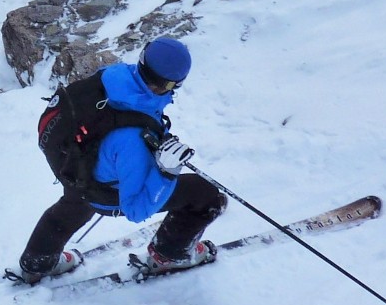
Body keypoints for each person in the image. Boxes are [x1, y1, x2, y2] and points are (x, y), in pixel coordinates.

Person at [12, 37, 227, 284]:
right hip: (102, 187)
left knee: (75, 202)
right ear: (172, 84)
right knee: (205, 196)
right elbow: (135, 209)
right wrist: (166, 172)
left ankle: (37, 263)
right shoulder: (133, 141)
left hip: (72, 164)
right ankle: (168, 255)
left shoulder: (114, 77)